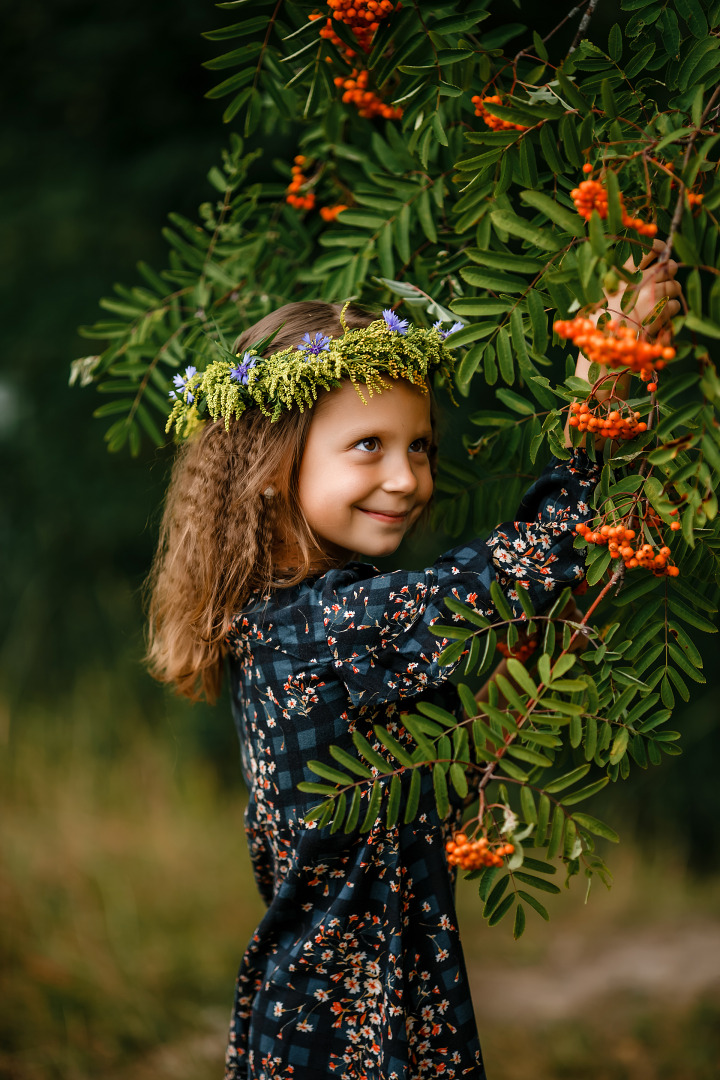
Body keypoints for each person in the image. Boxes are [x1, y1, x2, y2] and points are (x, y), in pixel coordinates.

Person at [146, 244, 680, 1080]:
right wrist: (611, 382)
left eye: (420, 446)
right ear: (272, 467)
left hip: (343, 1006)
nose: (406, 477)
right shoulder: (331, 626)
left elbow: (422, 782)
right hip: (350, 1028)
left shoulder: (284, 623)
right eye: (368, 445)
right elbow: (532, 561)